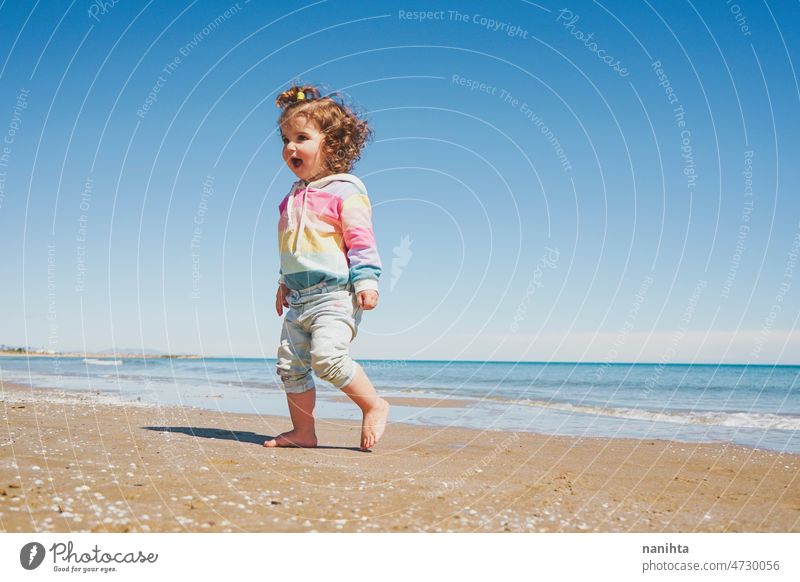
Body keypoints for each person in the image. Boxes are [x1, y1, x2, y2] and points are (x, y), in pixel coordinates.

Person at [264, 84, 390, 451]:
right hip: (298, 298)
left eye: (301, 138)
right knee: (290, 366)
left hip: (335, 294)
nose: (290, 147)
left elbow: (361, 239)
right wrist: (282, 285)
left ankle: (373, 404)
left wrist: (367, 280)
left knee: (327, 357)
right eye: (285, 139)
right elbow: (291, 248)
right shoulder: (290, 198)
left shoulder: (346, 191)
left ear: (332, 144)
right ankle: (303, 432)